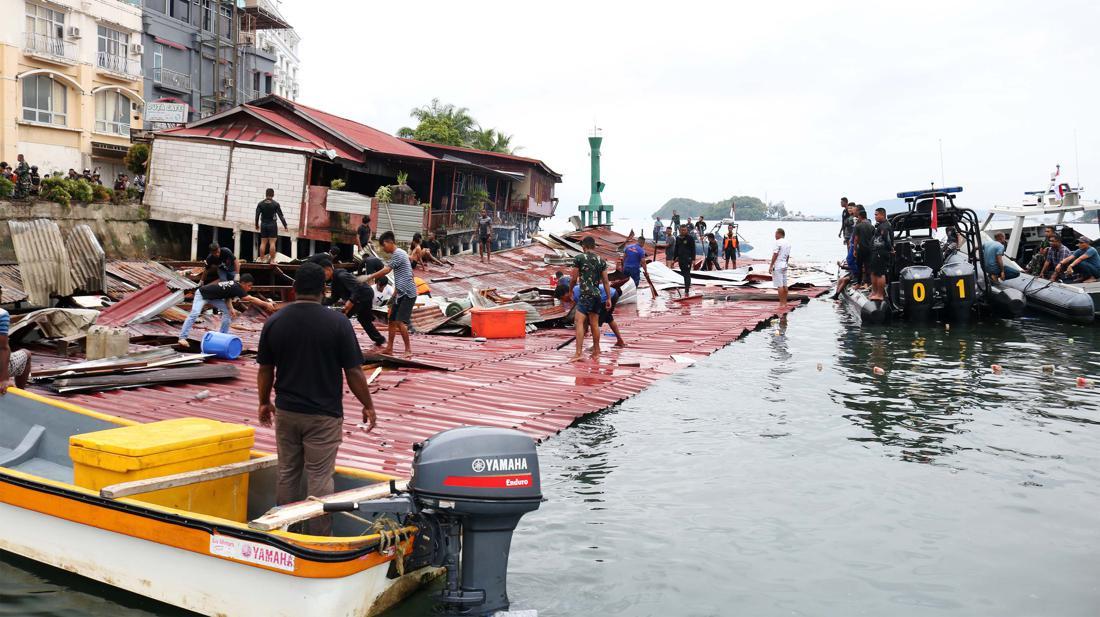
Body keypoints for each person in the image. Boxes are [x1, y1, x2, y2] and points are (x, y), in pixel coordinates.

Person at [256, 262, 375, 537]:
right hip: (324, 415)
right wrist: (367, 405)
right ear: (324, 289)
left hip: (286, 412)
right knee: (320, 478)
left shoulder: (275, 322)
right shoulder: (338, 323)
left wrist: (264, 402)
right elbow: (354, 371)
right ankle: (319, 539)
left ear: (294, 289)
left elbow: (265, 370)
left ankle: (285, 531)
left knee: (287, 472)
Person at [177, 274, 274, 347]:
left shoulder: (235, 286)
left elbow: (227, 298)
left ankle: (223, 335)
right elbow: (251, 299)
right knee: (195, 313)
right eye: (248, 286)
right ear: (243, 283)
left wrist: (231, 308)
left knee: (228, 312)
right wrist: (266, 304)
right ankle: (182, 338)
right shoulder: (237, 288)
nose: (249, 288)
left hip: (214, 298)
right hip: (202, 294)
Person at [364, 231, 417, 356]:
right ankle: (389, 348)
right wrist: (393, 297)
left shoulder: (398, 254)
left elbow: (387, 270)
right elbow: (405, 276)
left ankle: (408, 350)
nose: (383, 248)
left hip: (408, 294)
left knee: (399, 322)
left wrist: (369, 277)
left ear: (390, 242)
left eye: (383, 245)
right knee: (391, 320)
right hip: (400, 293)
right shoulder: (401, 253)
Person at [569, 236, 612, 362]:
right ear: (594, 246)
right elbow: (605, 281)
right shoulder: (601, 260)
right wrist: (608, 298)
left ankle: (578, 353)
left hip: (586, 295)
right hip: (597, 296)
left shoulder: (579, 258)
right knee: (594, 324)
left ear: (583, 246)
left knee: (579, 322)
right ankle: (596, 351)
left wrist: (571, 290)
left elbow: (573, 278)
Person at [332, 267, 386, 346]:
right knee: (363, 319)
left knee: (342, 317)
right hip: (365, 294)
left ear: (328, 269)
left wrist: (351, 301)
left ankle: (338, 340)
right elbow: (334, 298)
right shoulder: (335, 280)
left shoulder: (342, 276)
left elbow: (356, 289)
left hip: (363, 295)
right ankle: (379, 339)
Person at [0, 296, 33, 394]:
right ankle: (20, 393)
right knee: (27, 354)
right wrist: (3, 379)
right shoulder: (1, 314)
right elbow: (3, 348)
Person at [255, 188, 288, 264]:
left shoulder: (260, 204)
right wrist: (285, 225)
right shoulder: (275, 204)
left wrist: (256, 225)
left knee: (263, 243)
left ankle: (262, 259)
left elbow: (257, 215)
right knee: (272, 243)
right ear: (273, 194)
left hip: (263, 224)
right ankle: (272, 260)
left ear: (266, 194)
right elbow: (280, 216)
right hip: (272, 225)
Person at [869, 207, 893, 301]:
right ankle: (875, 292)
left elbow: (887, 239)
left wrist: (890, 248)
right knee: (874, 272)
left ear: (882, 215)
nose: (875, 216)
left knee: (880, 273)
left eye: (876, 214)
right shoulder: (880, 225)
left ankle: (880, 294)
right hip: (876, 252)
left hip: (881, 252)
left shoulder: (885, 226)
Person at [852, 207, 874, 287]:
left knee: (859, 266)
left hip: (861, 249)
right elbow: (873, 238)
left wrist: (854, 250)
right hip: (869, 249)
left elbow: (856, 239)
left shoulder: (858, 226)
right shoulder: (871, 226)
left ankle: (858, 283)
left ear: (860, 216)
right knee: (868, 266)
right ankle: (868, 283)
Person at [770, 228, 791, 308]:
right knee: (785, 285)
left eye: (776, 234)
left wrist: (771, 265)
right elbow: (788, 256)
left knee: (780, 286)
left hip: (778, 265)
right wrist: (786, 263)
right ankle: (785, 302)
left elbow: (775, 254)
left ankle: (781, 303)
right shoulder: (788, 243)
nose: (775, 236)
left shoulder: (778, 242)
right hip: (784, 265)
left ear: (779, 234)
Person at [673, 224, 696, 296]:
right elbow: (676, 248)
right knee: (683, 273)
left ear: (687, 230)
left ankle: (687, 289)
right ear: (679, 230)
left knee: (687, 274)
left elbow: (693, 249)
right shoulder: (678, 238)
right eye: (682, 230)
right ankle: (687, 285)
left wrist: (693, 259)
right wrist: (674, 258)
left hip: (687, 259)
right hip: (680, 259)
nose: (683, 231)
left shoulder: (690, 238)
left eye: (684, 230)